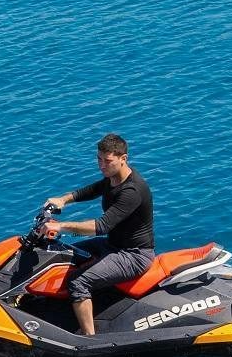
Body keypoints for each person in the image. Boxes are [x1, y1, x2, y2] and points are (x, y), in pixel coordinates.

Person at [40, 135, 155, 335]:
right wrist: (63, 199)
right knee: (63, 253)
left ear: (123, 158)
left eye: (107, 161)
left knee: (78, 281)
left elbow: (101, 226)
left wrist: (61, 226)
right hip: (113, 246)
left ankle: (88, 338)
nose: (102, 166)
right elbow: (92, 190)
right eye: (99, 160)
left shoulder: (132, 190)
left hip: (134, 255)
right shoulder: (113, 179)